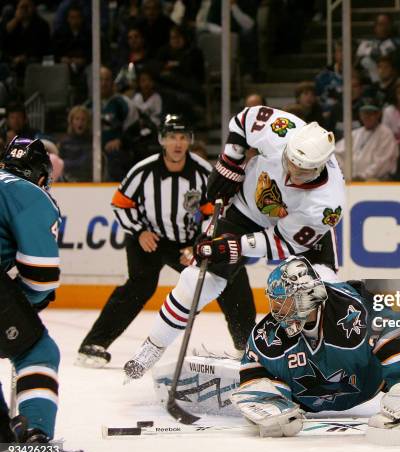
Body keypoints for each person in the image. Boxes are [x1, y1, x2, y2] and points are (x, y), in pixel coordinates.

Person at [123, 106, 345, 380]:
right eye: (289, 162)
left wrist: (235, 246)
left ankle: (324, 365)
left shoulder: (326, 204)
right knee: (198, 281)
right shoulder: (285, 130)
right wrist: (230, 162)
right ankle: (153, 346)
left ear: (318, 167)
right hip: (246, 209)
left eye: (301, 172)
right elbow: (244, 120)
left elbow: (283, 244)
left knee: (320, 288)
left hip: (294, 235)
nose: (290, 174)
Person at [76, 115, 219, 367]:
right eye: (173, 137)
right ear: (162, 139)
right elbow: (120, 204)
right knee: (138, 288)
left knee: (226, 276)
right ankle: (93, 344)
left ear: (190, 141)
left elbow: (214, 213)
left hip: (187, 243)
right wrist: (139, 231)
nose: (178, 143)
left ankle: (244, 343)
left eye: (183, 137)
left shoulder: (203, 172)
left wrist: (199, 244)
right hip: (149, 239)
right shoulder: (143, 170)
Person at [232, 256, 400, 437]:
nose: (276, 311)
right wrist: (270, 400)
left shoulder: (353, 311)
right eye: (275, 303)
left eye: (284, 302)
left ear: (306, 297)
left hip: (371, 381)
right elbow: (254, 367)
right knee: (278, 424)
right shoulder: (268, 334)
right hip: (304, 402)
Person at [0, 137, 90, 452]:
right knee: (36, 350)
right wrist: (28, 301)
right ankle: (36, 440)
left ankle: (4, 433)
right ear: (41, 174)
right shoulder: (30, 193)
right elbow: (41, 277)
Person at [335, 97, 399, 181]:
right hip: (352, 179)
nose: (367, 116)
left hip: (377, 180)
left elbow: (381, 163)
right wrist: (343, 174)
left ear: (378, 114)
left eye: (371, 113)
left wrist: (362, 176)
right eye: (365, 113)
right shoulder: (355, 133)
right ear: (360, 115)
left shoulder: (385, 134)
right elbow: (336, 153)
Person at [58, 105, 93, 181]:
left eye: (83, 119)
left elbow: (84, 163)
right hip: (66, 180)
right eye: (77, 119)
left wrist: (65, 163)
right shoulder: (64, 141)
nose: (80, 122)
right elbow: (58, 163)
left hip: (85, 180)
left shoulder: (91, 141)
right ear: (71, 121)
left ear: (87, 123)